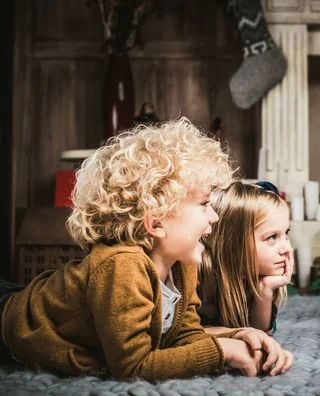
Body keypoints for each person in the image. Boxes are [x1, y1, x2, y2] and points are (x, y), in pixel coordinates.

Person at [0, 117, 293, 380]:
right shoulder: (122, 265)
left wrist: (241, 334)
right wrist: (223, 352)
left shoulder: (181, 266)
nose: (214, 215)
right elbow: (132, 367)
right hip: (9, 321)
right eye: (204, 204)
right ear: (156, 223)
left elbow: (183, 335)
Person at [198, 180, 293, 334]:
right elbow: (186, 334)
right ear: (234, 243)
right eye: (272, 237)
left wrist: (264, 289)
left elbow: (259, 333)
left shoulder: (254, 277)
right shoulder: (196, 278)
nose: (287, 249)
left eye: (286, 233)